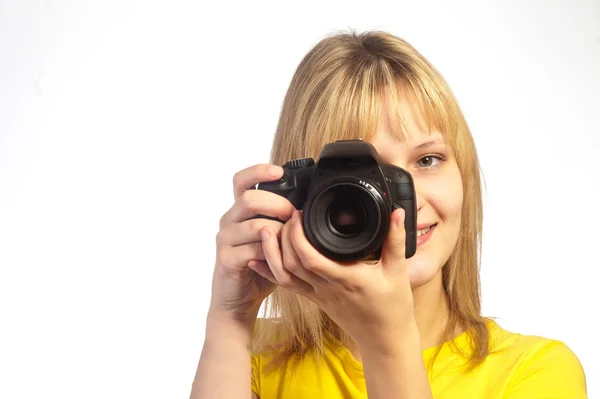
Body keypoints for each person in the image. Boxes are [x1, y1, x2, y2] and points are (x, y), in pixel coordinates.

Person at [190, 30, 587, 398]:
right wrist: (229, 319)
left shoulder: (534, 372)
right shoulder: (253, 355)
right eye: (363, 172)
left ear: (463, 173)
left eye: (428, 159)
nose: (403, 200)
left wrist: (388, 342)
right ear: (303, 194)